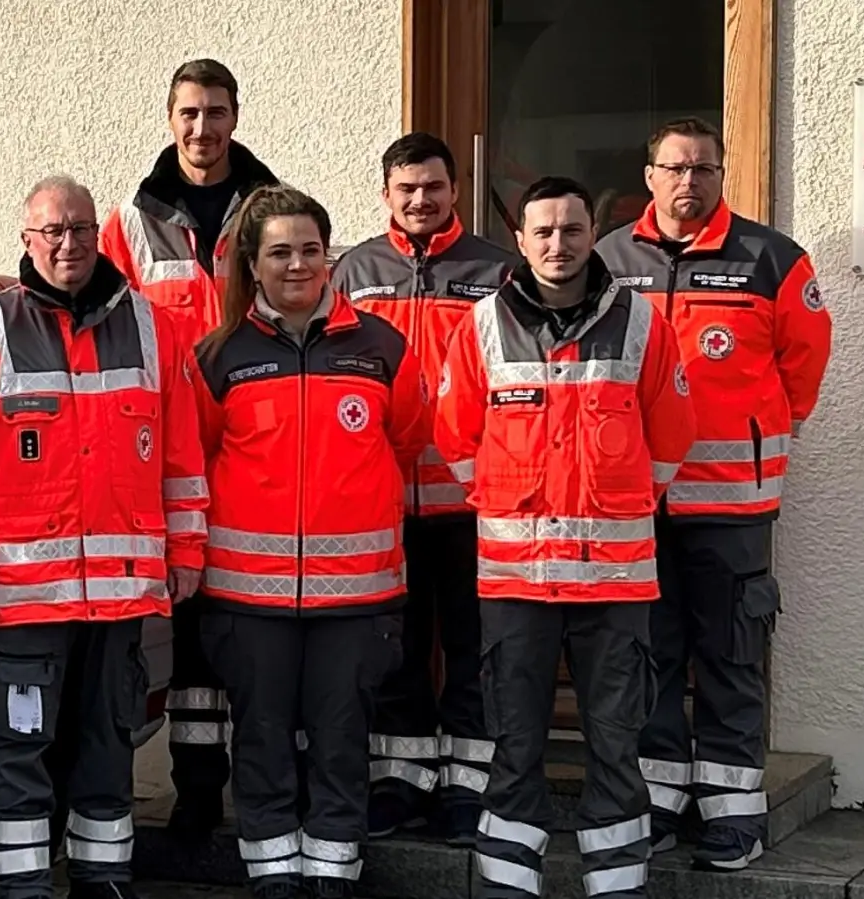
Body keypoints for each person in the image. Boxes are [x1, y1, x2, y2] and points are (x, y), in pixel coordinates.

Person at [0, 174, 209, 899]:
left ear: (98, 235)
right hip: (22, 605)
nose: (68, 244)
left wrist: (188, 552)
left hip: (120, 601)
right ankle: (23, 886)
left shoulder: (151, 328)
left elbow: (182, 458)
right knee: (20, 749)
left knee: (108, 743)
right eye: (52, 231)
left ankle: (103, 878)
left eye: (80, 229)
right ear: (26, 240)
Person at [436, 176, 697, 899]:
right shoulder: (483, 325)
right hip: (516, 584)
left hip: (615, 584)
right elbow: (456, 437)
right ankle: (506, 886)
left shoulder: (642, 323)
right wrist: (499, 500)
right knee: (515, 745)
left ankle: (616, 886)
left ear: (594, 234)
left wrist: (628, 501)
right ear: (520, 240)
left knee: (616, 745)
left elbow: (672, 436)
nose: (558, 244)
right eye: (543, 231)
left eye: (572, 230)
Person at [595, 116, 832, 870]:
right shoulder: (608, 258)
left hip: (732, 499)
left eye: (703, 168)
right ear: (650, 175)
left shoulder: (772, 258)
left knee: (731, 654)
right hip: (637, 500)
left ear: (722, 175)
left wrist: (762, 431)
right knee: (649, 653)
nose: (688, 181)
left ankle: (733, 813)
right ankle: (660, 798)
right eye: (675, 168)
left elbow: (802, 370)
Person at [188, 184, 428, 899]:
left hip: (357, 598)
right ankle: (273, 871)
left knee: (340, 738)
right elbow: (195, 458)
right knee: (259, 739)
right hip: (246, 597)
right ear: (252, 266)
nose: (298, 265)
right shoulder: (217, 355)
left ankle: (331, 870)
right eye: (280, 252)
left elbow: (409, 439)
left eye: (310, 250)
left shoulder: (382, 346)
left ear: (331, 256)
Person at [97, 57, 283, 837]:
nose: (202, 129)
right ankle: (198, 796)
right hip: (174, 461)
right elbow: (102, 337)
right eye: (189, 114)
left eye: (215, 112)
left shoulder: (276, 211)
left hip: (260, 456)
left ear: (236, 117)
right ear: (169, 120)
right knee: (193, 643)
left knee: (268, 636)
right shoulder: (128, 223)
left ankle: (274, 795)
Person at [330, 131, 518, 844]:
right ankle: (399, 782)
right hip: (381, 500)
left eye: (433, 187)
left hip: (472, 500)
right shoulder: (351, 271)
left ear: (454, 190)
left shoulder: (498, 271)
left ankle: (468, 788)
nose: (420, 199)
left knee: (473, 648)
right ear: (385, 194)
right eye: (406, 188)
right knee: (397, 648)